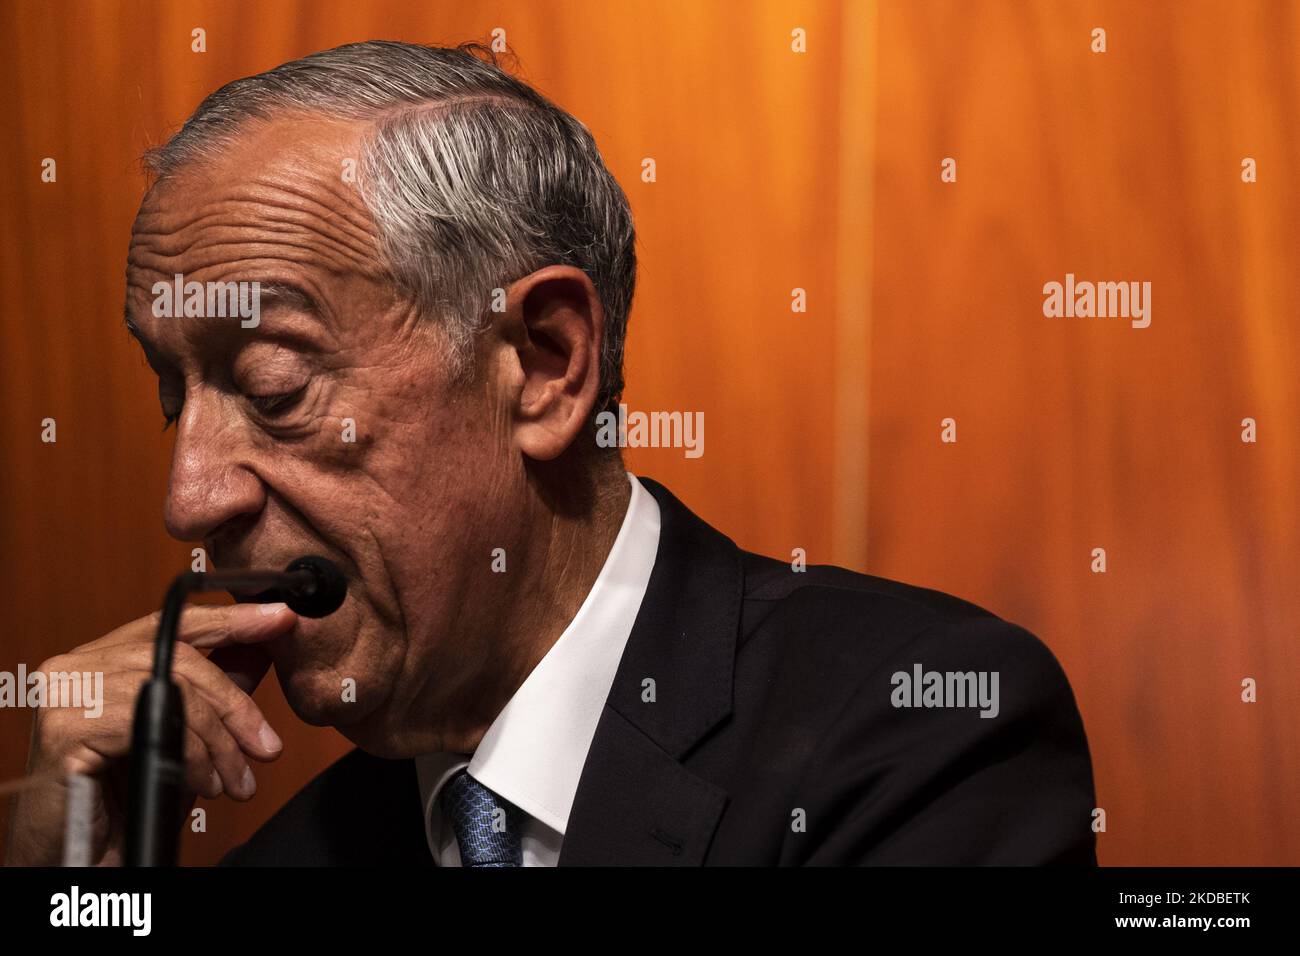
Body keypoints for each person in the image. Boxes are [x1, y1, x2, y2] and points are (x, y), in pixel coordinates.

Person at [5, 41, 1095, 867]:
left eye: (275, 387)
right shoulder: (292, 851)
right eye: (169, 395)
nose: (188, 497)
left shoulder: (924, 735)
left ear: (543, 362)